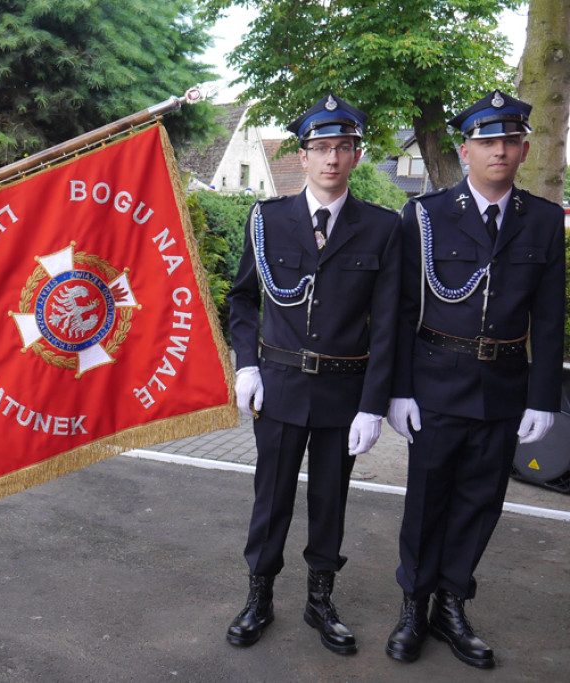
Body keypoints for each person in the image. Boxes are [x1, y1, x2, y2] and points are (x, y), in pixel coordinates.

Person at [384, 91, 565, 669]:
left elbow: (548, 314)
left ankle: (452, 603)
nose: (500, 151)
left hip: (505, 386)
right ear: (465, 151)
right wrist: (398, 390)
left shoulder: (541, 218)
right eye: (487, 141)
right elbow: (399, 308)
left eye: (510, 141)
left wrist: (544, 399)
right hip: (437, 381)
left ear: (524, 149)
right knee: (428, 500)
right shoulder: (427, 215)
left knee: (481, 501)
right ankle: (414, 604)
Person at [224, 94, 401, 655]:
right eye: (321, 148)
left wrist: (374, 404)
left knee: (331, 498)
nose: (332, 158)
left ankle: (320, 599)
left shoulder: (382, 228)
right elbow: (244, 299)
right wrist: (246, 363)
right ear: (302, 157)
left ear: (356, 155)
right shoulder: (267, 220)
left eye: (343, 148)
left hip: (343, 392)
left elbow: (389, 324)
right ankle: (260, 597)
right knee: (270, 496)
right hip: (277, 386)